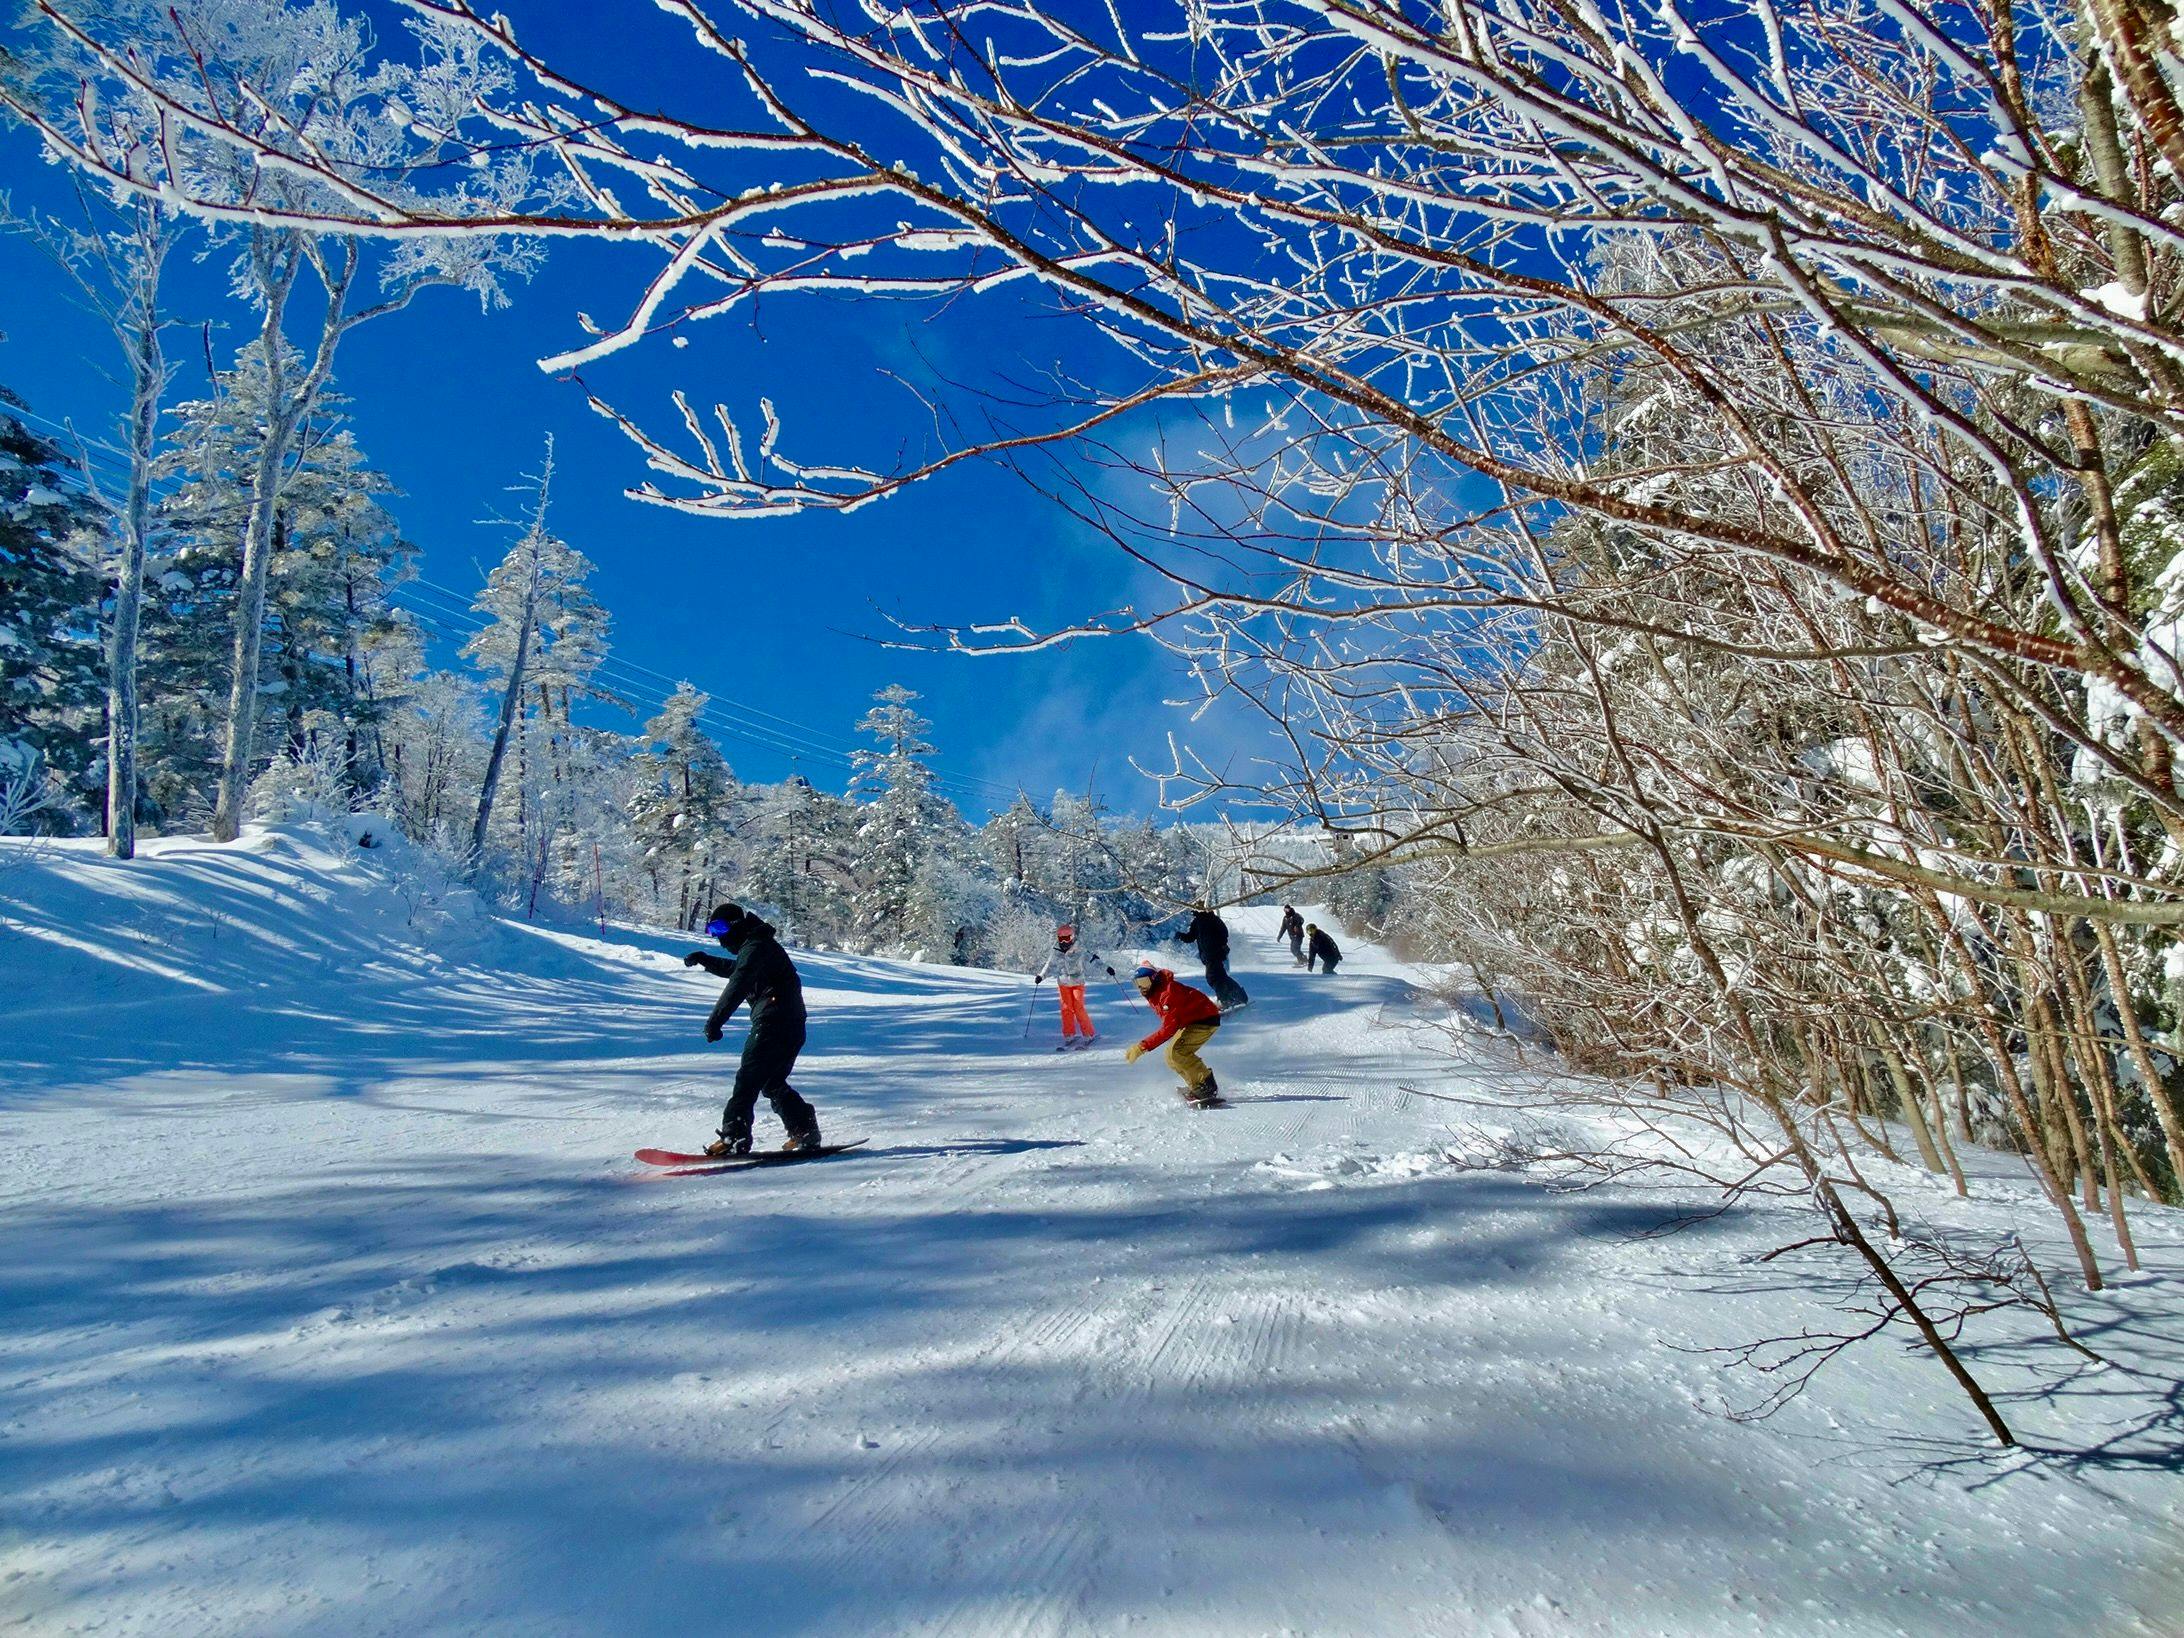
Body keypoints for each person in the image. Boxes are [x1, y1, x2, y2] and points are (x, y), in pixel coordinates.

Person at [684, 902, 822, 1157]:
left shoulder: (757, 947)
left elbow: (739, 980)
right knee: (771, 1082)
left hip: (773, 1021)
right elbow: (737, 969)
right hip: (790, 1024)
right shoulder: (758, 946)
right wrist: (705, 960)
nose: (718, 937)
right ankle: (803, 1128)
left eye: (720, 928)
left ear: (736, 925)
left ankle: (734, 1135)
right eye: (712, 930)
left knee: (748, 1079)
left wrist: (715, 1021)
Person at [1123, 963, 1224, 1105]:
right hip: (1191, 1021)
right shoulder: (1155, 991)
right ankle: (1196, 1086)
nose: (1141, 987)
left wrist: (1142, 1047)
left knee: (1178, 1052)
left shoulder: (1167, 994)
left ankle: (1207, 1087)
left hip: (1205, 1020)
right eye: (1137, 983)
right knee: (1170, 1056)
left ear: (1153, 979)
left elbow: (1169, 1028)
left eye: (1144, 982)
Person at [1033, 923, 1117, 1050]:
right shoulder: (1056, 951)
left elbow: (1094, 960)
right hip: (1063, 983)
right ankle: (1069, 1034)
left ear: (1072, 937)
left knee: (1078, 1007)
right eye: (1061, 939)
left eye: (1067, 938)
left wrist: (1107, 968)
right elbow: (1049, 965)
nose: (1064, 942)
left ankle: (1088, 1034)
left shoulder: (1080, 949)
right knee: (1066, 1008)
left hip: (1077, 982)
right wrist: (1041, 976)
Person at [1175, 903, 1249, 1011]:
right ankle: (1239, 997)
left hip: (1214, 954)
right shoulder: (1197, 922)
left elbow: (1224, 933)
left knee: (1213, 978)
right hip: (1209, 956)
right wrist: (1181, 936)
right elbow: (1190, 937)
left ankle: (1226, 1000)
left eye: (1195, 908)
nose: (1194, 911)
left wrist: (1219, 945)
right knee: (1220, 977)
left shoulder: (1212, 919)